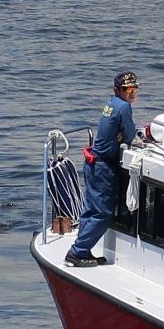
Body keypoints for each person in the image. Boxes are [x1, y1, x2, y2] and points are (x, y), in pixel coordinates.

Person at [65, 71, 139, 267]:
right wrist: (125, 135)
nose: (131, 94)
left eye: (133, 89)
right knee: (103, 213)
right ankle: (78, 251)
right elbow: (130, 134)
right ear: (117, 90)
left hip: (93, 163)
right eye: (127, 90)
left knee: (90, 210)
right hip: (103, 167)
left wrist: (122, 133)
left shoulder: (111, 104)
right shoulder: (123, 107)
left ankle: (82, 249)